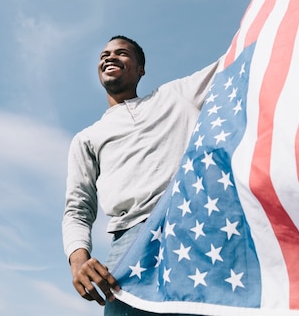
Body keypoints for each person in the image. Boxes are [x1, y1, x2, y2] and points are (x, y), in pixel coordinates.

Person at [62, 35, 219, 315]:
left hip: (193, 232)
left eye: (121, 53)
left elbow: (234, 61)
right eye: (103, 55)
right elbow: (77, 208)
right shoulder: (86, 138)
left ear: (140, 69)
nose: (109, 57)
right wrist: (78, 260)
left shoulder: (175, 96)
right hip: (130, 247)